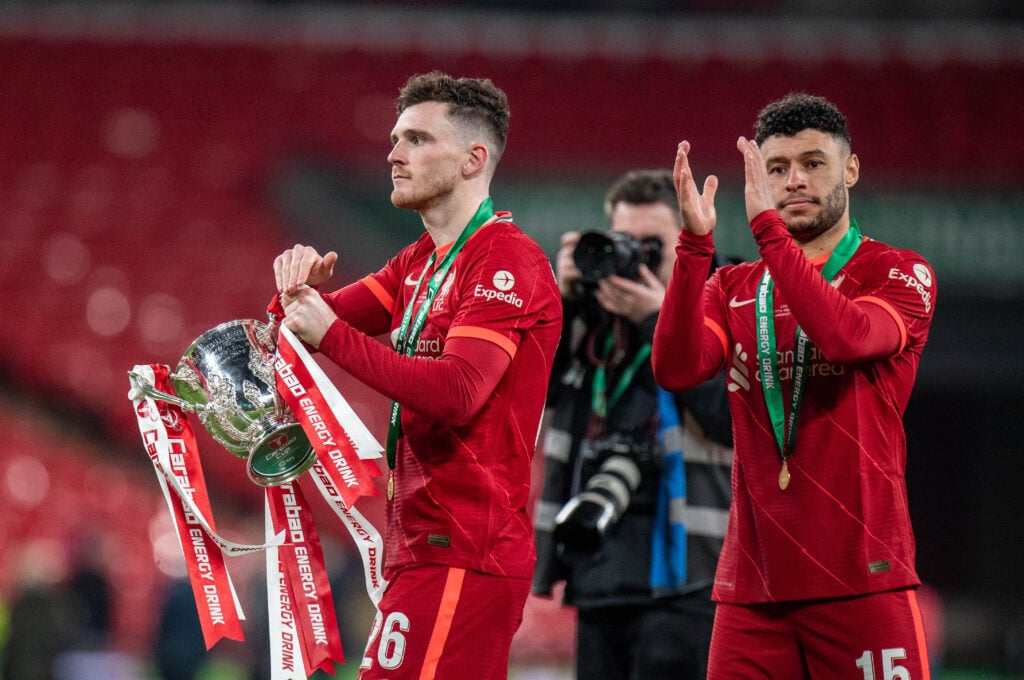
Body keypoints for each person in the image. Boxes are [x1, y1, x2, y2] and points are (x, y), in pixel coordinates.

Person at [272, 71, 562, 679]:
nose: (393, 153)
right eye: (396, 138)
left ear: (472, 159)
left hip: (467, 550)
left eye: (417, 139)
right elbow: (294, 326)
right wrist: (291, 292)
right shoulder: (418, 263)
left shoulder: (506, 260)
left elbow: (459, 392)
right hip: (425, 547)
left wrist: (328, 331)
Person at [652, 93, 937, 678]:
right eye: (777, 169)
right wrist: (694, 249)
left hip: (862, 576)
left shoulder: (897, 271)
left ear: (851, 169)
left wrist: (769, 236)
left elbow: (846, 337)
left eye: (813, 163)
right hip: (752, 590)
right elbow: (676, 370)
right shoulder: (732, 285)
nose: (794, 181)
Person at [532, 169, 734, 679]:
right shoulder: (591, 318)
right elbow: (532, 400)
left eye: (652, 247)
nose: (635, 259)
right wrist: (560, 304)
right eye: (627, 243)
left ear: (688, 245)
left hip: (690, 569)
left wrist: (662, 322)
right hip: (599, 561)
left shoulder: (725, 302)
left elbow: (731, 421)